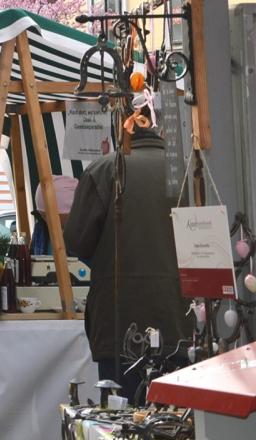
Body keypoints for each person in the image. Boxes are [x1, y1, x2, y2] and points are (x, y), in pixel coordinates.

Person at [64, 126, 190, 401]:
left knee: (123, 419)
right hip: (181, 317)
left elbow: (76, 241)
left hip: (119, 321)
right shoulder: (188, 171)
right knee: (181, 418)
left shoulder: (104, 170)